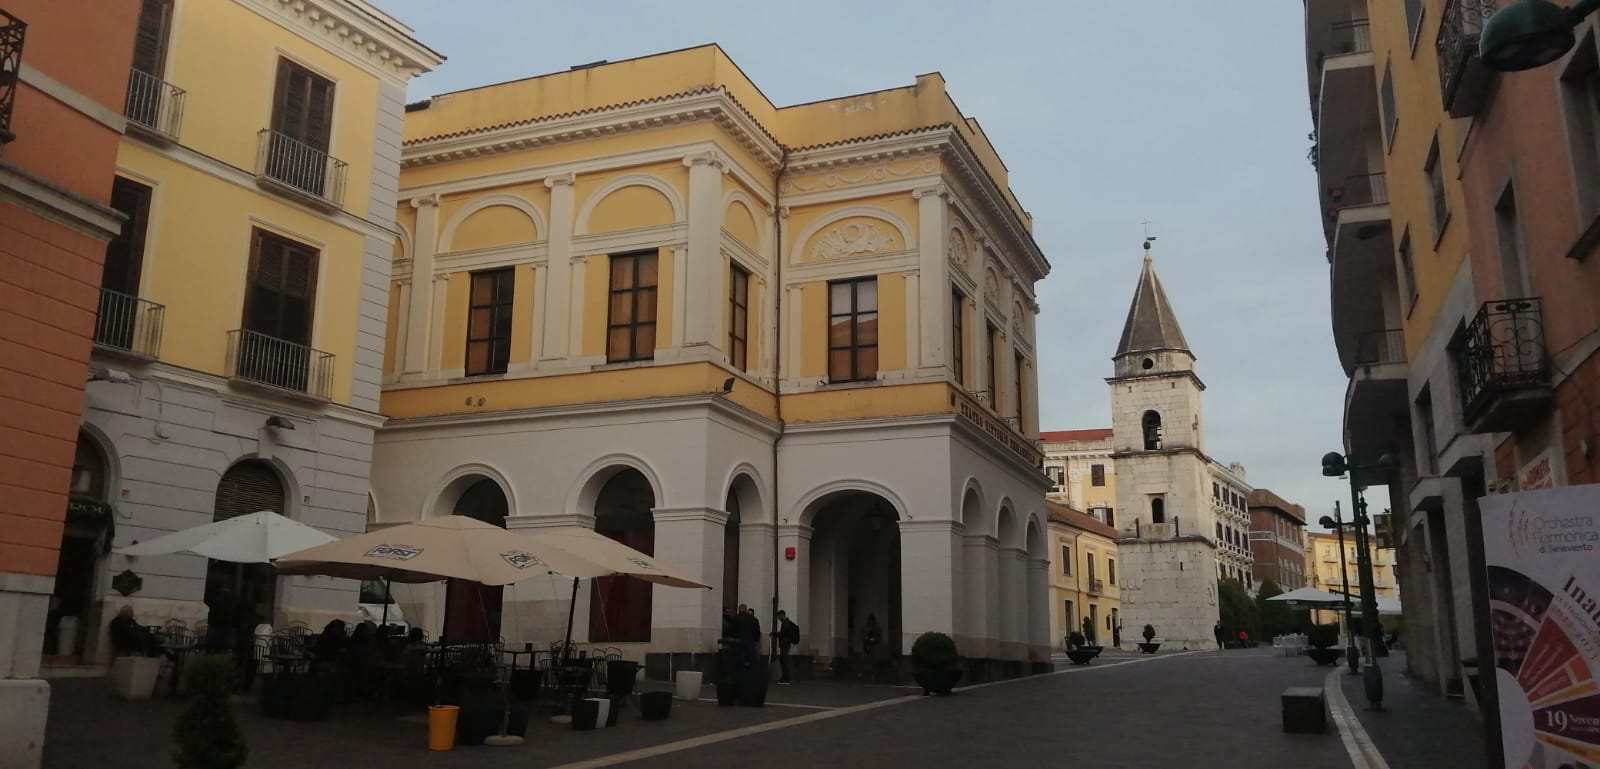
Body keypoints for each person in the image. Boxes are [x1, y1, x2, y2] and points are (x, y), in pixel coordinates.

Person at [771, 609, 800, 685]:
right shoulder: (787, 623)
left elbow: (783, 633)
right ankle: (785, 678)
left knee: (784, 660)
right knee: (783, 660)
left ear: (782, 615)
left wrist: (774, 634)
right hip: (786, 644)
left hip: (785, 644)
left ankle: (786, 678)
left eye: (778, 616)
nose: (778, 618)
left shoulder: (785, 623)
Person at [731, 603, 761, 669]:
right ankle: (750, 674)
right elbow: (756, 630)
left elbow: (731, 630)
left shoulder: (735, 618)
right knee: (751, 658)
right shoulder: (752, 618)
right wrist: (756, 640)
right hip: (749, 640)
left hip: (737, 641)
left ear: (739, 609)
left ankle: (739, 672)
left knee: (739, 657)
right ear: (746, 609)